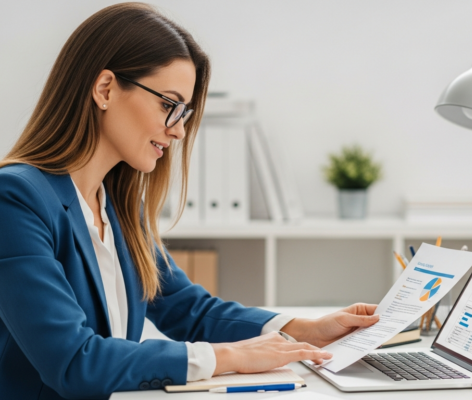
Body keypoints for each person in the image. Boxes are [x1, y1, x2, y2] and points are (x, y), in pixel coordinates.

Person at [0, 3, 379, 399]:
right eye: (169, 105)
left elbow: (187, 308)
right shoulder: (16, 199)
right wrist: (225, 357)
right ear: (105, 89)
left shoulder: (116, 205)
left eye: (184, 112)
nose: (179, 131)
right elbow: (75, 362)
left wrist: (305, 328)